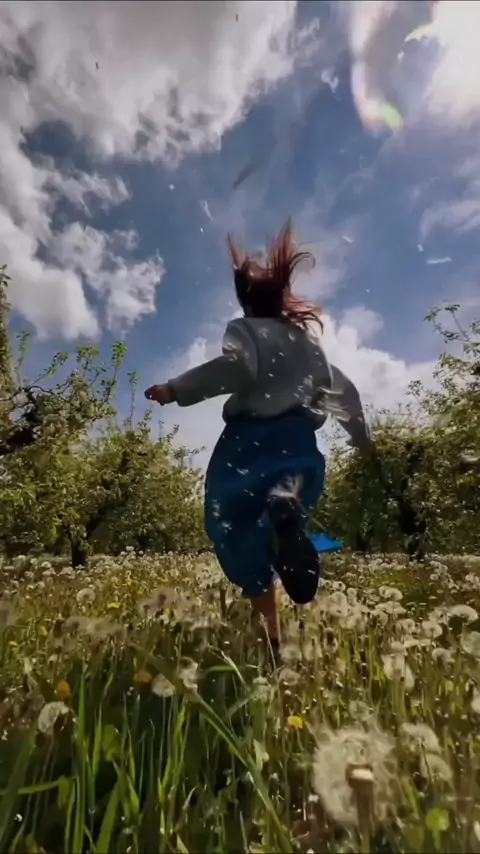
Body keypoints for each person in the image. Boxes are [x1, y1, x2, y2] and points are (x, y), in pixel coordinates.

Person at [145, 220, 374, 656]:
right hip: (298, 445)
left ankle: (271, 634)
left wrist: (176, 389)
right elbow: (345, 391)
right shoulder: (309, 345)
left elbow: (237, 368)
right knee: (280, 512)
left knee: (234, 527)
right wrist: (361, 439)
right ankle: (283, 518)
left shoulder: (246, 330)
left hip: (247, 445)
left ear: (246, 304)